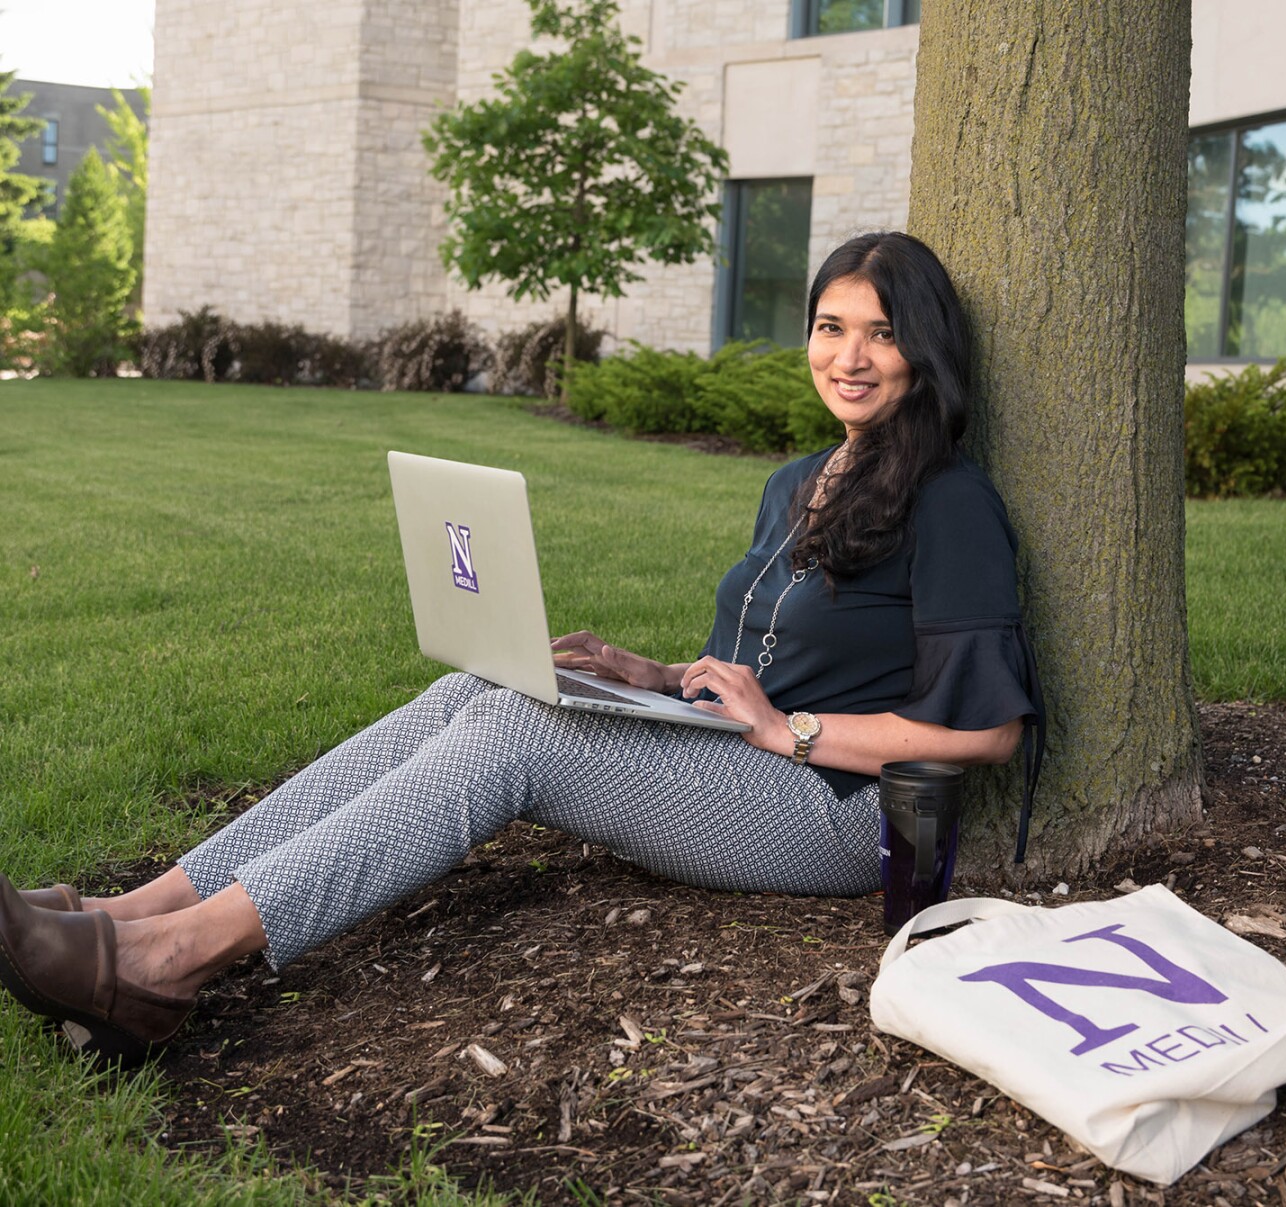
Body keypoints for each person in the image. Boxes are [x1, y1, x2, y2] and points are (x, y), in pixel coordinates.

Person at [0, 231, 1041, 1067]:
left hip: (844, 814)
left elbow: (982, 733)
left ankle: (173, 961)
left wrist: (788, 728)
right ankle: (138, 909)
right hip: (749, 757)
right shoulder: (798, 479)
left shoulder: (951, 502)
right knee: (484, 683)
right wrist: (658, 675)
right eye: (829, 325)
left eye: (880, 334)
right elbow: (767, 661)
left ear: (924, 352)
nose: (848, 356)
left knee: (514, 734)